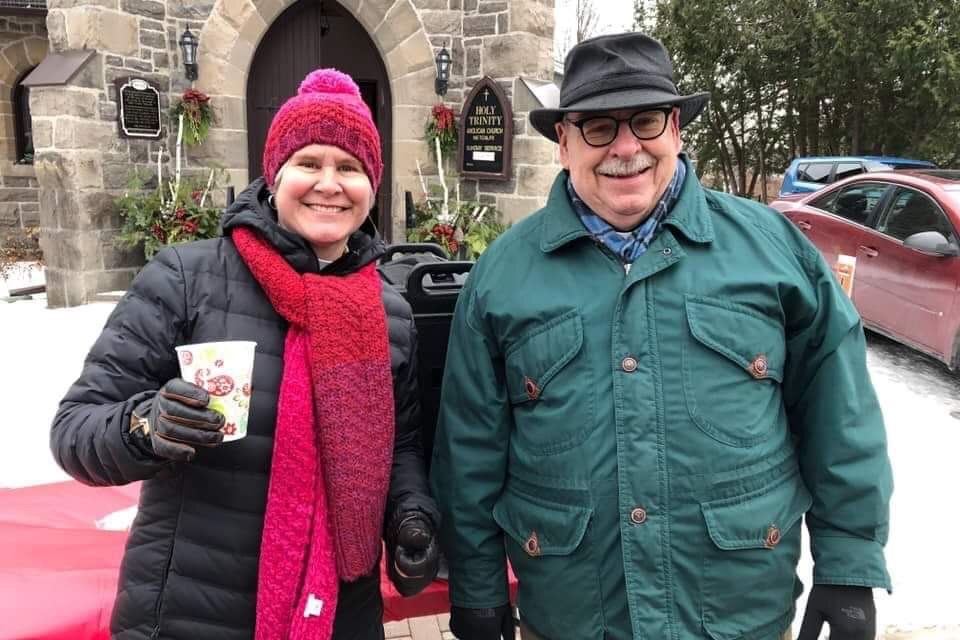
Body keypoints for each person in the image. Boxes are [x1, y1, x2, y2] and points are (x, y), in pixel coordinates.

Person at [430, 33, 892, 640]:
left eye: (645, 120)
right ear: (563, 142)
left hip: (740, 617)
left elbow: (841, 415)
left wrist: (850, 564)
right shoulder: (501, 278)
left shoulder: (773, 253)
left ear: (675, 129)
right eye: (597, 126)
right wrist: (479, 592)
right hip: (573, 620)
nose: (626, 147)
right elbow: (469, 455)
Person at [50, 68, 440, 640]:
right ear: (275, 173)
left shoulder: (388, 313)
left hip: (339, 612)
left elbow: (399, 446)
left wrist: (411, 515)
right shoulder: (189, 277)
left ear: (371, 185)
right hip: (190, 612)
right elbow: (75, 430)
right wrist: (146, 426)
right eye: (309, 163)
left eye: (350, 167)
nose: (329, 184)